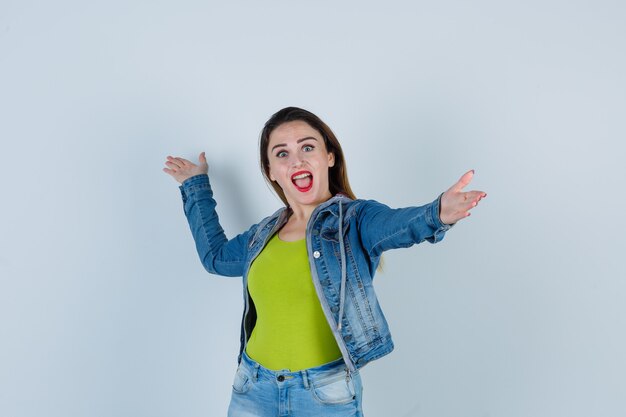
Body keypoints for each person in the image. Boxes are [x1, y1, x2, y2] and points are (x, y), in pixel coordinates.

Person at [163, 107, 486, 416]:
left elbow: (398, 225)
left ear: (328, 157)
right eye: (282, 153)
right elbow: (216, 257)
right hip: (253, 387)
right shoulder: (262, 235)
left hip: (323, 395)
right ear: (272, 172)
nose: (297, 160)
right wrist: (195, 185)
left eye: (307, 147)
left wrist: (437, 213)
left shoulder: (355, 220)